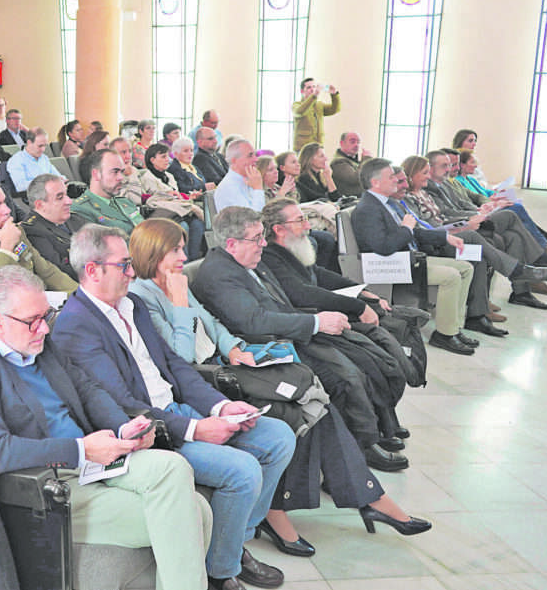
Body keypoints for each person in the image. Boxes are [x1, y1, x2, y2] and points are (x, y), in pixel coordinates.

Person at [128, 218, 430, 556]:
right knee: (297, 410)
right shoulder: (143, 295)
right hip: (201, 380)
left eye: (183, 247)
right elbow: (178, 357)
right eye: (176, 249)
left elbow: (212, 324)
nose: (184, 255)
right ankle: (301, 508)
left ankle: (366, 498)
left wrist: (234, 348)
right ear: (153, 253)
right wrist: (181, 304)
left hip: (226, 364)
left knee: (317, 405)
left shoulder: (174, 280)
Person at [54, 224, 294, 590]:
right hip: (154, 431)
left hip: (179, 408)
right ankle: (221, 572)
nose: (132, 272)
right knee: (242, 470)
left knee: (279, 437)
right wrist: (196, 430)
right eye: (124, 265)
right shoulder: (75, 326)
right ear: (93, 270)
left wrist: (220, 406)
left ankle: (231, 544)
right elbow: (122, 405)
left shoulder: (131, 304)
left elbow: (176, 366)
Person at [0, 265, 213, 590]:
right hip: (50, 485)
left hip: (92, 460)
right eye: (32, 320)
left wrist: (123, 428)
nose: (44, 328)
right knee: (195, 510)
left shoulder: (37, 342)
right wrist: (81, 449)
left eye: (46, 316)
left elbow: (88, 390)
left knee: (178, 475)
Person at [195, 206, 409, 471]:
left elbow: (285, 299)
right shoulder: (219, 274)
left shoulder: (247, 259)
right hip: (268, 347)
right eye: (256, 238)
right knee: (346, 376)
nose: (263, 243)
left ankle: (378, 429)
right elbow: (254, 322)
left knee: (368, 356)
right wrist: (316, 322)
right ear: (231, 243)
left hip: (292, 329)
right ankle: (360, 451)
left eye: (262, 235)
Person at [351, 158, 479, 354]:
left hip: (407, 258)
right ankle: (445, 335)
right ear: (375, 182)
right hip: (387, 264)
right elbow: (383, 247)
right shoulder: (367, 209)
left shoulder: (390, 203)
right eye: (391, 177)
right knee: (450, 276)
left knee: (465, 267)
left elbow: (414, 231)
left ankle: (454, 326)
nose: (396, 180)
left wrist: (445, 237)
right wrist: (405, 229)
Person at [400, 155, 547, 323]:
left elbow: (448, 212)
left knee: (512, 235)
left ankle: (518, 291)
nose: (450, 169)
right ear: (412, 175)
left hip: (458, 227)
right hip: (445, 239)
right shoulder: (410, 198)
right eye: (425, 172)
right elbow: (426, 228)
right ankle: (533, 262)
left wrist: (476, 214)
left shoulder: (426, 192)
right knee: (507, 217)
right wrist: (465, 224)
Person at [216, 139, 338, 273]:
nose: (255, 160)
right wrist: (257, 188)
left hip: (262, 233)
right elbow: (254, 219)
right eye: (250, 155)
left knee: (312, 237)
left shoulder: (247, 180)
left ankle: (311, 279)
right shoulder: (229, 187)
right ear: (234, 160)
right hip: (247, 239)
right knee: (311, 240)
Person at [139, 143, 206, 259]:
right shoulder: (147, 177)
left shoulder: (169, 176)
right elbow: (153, 199)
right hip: (164, 214)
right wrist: (170, 195)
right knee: (182, 227)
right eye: (163, 157)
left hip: (179, 211)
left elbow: (176, 196)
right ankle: (183, 262)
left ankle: (193, 262)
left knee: (197, 224)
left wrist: (188, 197)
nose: (167, 160)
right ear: (153, 160)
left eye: (167, 156)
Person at [20, 174, 85, 280]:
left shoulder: (75, 219)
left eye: (66, 195)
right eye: (60, 198)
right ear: (40, 205)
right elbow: (62, 271)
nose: (69, 201)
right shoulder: (33, 232)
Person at [72, 149, 145, 232]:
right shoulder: (81, 210)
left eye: (122, 172)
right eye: (115, 172)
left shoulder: (125, 202)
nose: (121, 177)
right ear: (96, 174)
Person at [6, 127, 60, 193]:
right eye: (40, 146)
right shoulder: (16, 160)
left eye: (45, 146)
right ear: (29, 142)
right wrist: (45, 183)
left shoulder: (44, 158)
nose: (43, 149)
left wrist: (62, 180)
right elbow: (20, 186)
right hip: (34, 197)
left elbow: (57, 176)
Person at [292, 77, 340, 151]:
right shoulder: (296, 105)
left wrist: (334, 94)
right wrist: (314, 96)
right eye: (309, 87)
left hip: (318, 146)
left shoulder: (319, 105)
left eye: (314, 87)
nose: (312, 89)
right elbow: (300, 112)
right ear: (302, 91)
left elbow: (334, 109)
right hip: (303, 148)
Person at [330, 131, 371, 197]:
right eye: (352, 142)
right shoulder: (338, 162)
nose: (356, 145)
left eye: (358, 142)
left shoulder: (355, 160)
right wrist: (366, 160)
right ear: (342, 143)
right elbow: (354, 179)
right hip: (350, 201)